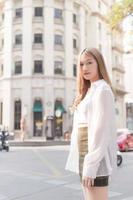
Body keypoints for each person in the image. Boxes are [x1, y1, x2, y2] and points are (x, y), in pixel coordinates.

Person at [65, 48, 117, 200]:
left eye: (89, 62)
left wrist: (91, 164)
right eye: (81, 64)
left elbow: (101, 131)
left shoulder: (103, 90)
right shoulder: (88, 91)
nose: (85, 68)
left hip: (94, 155)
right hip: (84, 152)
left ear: (98, 63)